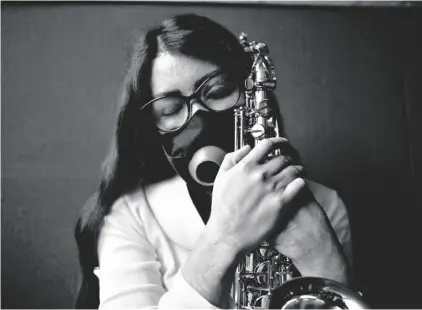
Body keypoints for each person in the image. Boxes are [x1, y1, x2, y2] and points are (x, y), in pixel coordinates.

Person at [74, 14, 353, 309]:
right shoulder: (129, 216)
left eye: (218, 92)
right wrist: (224, 237)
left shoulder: (325, 204)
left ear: (250, 95)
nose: (198, 121)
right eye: (170, 110)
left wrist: (321, 258)